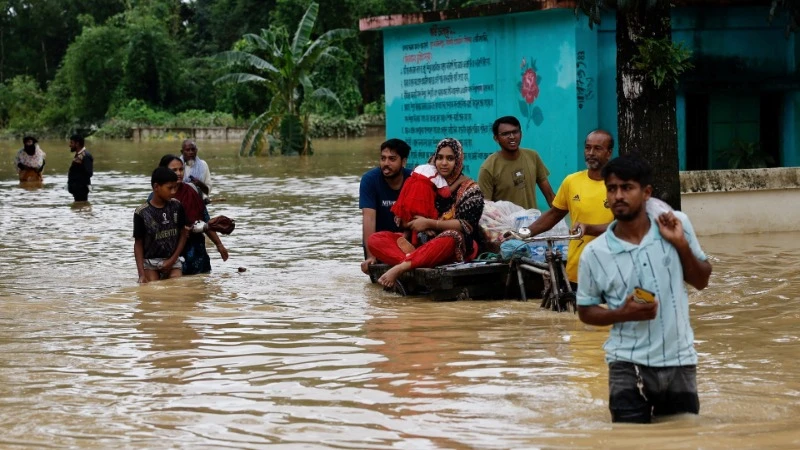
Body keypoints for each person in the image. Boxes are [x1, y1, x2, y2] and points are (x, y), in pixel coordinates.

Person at [576, 153, 712, 424]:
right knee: (629, 440)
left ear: (646, 192)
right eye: (612, 188)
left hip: (679, 360)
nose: (618, 196)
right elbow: (585, 311)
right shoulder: (594, 253)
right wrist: (622, 313)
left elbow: (701, 281)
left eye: (627, 187)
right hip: (625, 363)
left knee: (681, 437)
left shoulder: (677, 225)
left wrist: (680, 245)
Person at [367, 138, 484, 288]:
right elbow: (403, 218)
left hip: (454, 247)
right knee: (376, 239)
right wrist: (412, 223)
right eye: (440, 157)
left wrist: (430, 223)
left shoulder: (471, 189)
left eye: (450, 158)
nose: (443, 163)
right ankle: (414, 259)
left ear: (459, 161)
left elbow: (466, 225)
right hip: (421, 245)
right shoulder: (425, 182)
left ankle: (402, 267)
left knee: (452, 237)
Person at [526, 129, 615, 288]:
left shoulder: (621, 185)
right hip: (577, 271)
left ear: (609, 153)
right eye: (588, 148)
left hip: (612, 273)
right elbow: (554, 214)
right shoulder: (572, 181)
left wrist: (589, 228)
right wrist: (525, 232)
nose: (591, 153)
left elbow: (626, 227)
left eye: (597, 148)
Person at [158, 155, 229, 274]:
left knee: (200, 287)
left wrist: (219, 245)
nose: (179, 173)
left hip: (197, 255)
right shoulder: (158, 196)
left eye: (181, 169)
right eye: (174, 170)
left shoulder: (193, 190)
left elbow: (205, 220)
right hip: (171, 256)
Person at [359, 138, 413, 274]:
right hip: (379, 244)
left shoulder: (413, 180)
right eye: (383, 158)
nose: (386, 164)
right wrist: (371, 256)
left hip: (406, 241)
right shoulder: (370, 180)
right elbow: (368, 218)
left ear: (404, 161)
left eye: (392, 159)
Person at [478, 115, 555, 210]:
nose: (512, 137)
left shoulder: (532, 156)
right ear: (496, 138)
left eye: (515, 132)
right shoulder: (488, 168)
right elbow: (486, 208)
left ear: (521, 134)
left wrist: (561, 220)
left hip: (533, 223)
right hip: (505, 224)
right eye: (505, 134)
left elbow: (549, 195)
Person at [133, 167, 190, 283]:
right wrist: (141, 275)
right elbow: (138, 244)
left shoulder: (177, 206)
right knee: (154, 287)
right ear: (156, 187)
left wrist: (172, 260)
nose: (174, 192)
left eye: (175, 188)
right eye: (170, 188)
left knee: (176, 284)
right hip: (150, 263)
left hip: (173, 260)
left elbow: (184, 234)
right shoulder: (141, 212)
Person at [391, 160, 452, 247]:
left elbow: (411, 176)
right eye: (440, 158)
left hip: (408, 196)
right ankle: (414, 244)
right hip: (423, 201)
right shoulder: (436, 173)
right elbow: (445, 192)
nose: (444, 163)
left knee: (410, 218)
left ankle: (405, 236)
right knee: (422, 225)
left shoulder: (418, 168)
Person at [68, 134, 94, 202]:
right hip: (77, 189)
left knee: (82, 207)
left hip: (81, 189)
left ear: (77, 144)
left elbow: (89, 173)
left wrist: (78, 185)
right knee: (79, 208)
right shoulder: (79, 155)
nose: (70, 145)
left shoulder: (85, 156)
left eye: (71, 143)